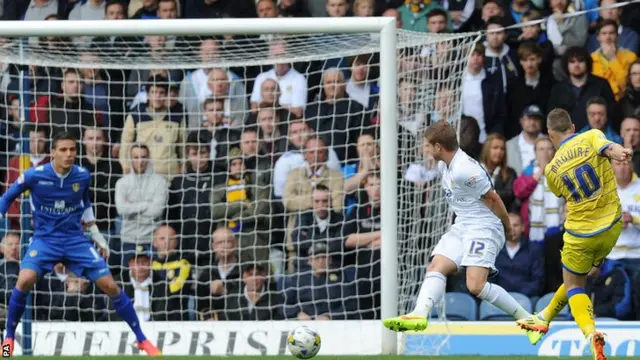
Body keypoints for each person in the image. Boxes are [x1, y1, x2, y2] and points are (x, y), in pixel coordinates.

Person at [0, 132, 160, 356]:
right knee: (24, 279)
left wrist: (97, 234)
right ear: (53, 152)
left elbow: (85, 204)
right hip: (45, 240)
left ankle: (142, 340)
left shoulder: (83, 175)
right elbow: (6, 198)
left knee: (110, 286)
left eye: (72, 150)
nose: (69, 154)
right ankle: (8, 339)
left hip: (75, 240)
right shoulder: (34, 175)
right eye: (63, 150)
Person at [382, 121, 538, 345]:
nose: (425, 149)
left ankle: (528, 320)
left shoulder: (465, 170)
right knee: (436, 265)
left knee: (476, 285)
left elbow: (493, 199)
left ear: (438, 147)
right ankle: (419, 314)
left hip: (484, 226)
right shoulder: (446, 163)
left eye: (428, 145)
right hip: (464, 224)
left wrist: (506, 226)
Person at [516, 108, 632, 360]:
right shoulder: (591, 135)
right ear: (572, 126)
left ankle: (591, 335)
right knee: (574, 279)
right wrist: (619, 152)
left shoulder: (551, 170)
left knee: (574, 285)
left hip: (580, 234)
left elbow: (562, 193)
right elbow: (607, 148)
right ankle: (544, 318)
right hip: (612, 227)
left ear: (550, 133)